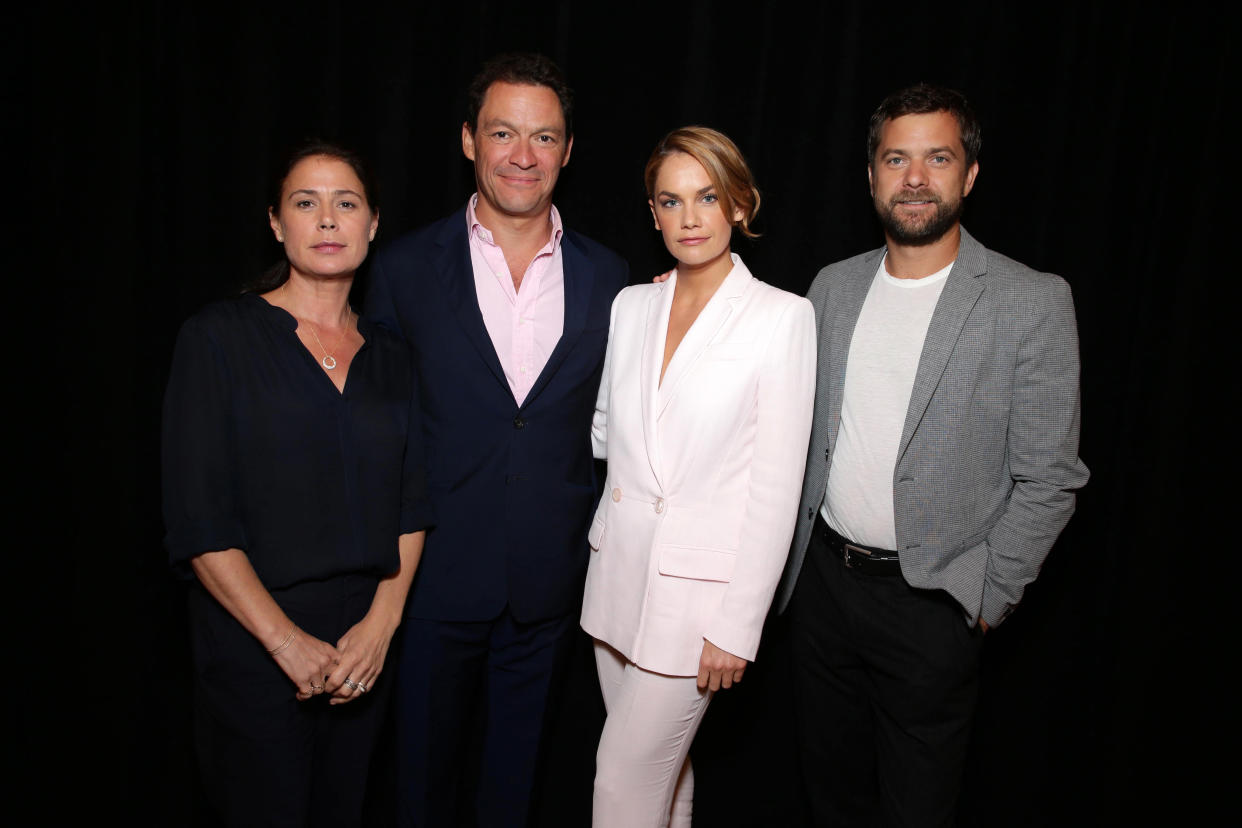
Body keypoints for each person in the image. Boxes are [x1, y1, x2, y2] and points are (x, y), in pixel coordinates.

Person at [775, 83, 1091, 827]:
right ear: (873, 176)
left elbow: (1051, 478)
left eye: (937, 158)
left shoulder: (1030, 301)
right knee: (830, 795)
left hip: (934, 607)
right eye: (896, 159)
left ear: (969, 174)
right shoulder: (833, 287)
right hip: (822, 589)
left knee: (918, 808)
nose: (915, 178)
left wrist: (981, 601)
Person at [364, 53, 629, 827]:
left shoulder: (609, 275)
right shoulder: (405, 269)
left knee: (514, 792)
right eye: (504, 133)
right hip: (432, 576)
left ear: (568, 151)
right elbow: (379, 429)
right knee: (418, 787)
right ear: (469, 141)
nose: (523, 154)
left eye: (544, 137)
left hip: (548, 584)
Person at [162, 141, 433, 826]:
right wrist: (283, 641)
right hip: (254, 646)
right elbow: (198, 518)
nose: (328, 220)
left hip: (363, 652)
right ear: (277, 224)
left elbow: (413, 502)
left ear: (373, 223)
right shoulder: (218, 338)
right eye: (306, 204)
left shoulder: (394, 356)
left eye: (346, 204)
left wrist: (382, 625)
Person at [582, 126, 816, 827]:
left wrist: (738, 624)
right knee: (666, 783)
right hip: (616, 578)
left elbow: (777, 488)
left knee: (621, 787)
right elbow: (606, 433)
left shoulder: (782, 318)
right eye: (670, 200)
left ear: (739, 205)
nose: (689, 218)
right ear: (652, 214)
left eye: (707, 197)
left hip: (698, 609)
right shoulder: (632, 306)